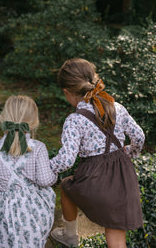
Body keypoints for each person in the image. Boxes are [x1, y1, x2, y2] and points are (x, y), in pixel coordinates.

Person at [50, 58, 145, 248]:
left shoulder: (74, 120)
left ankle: (70, 237)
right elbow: (139, 137)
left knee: (67, 186)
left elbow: (67, 160)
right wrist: (128, 152)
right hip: (123, 180)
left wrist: (46, 166)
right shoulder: (117, 107)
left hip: (94, 180)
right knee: (116, 237)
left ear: (67, 92)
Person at [0, 95, 57, 248]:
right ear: (33, 122)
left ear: (4, 118)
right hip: (33, 209)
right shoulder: (38, 147)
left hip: (4, 209)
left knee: (5, 240)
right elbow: (45, 180)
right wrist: (54, 171)